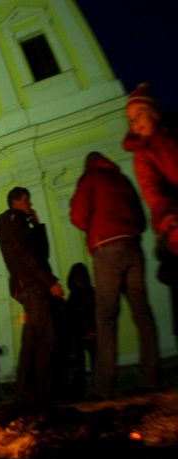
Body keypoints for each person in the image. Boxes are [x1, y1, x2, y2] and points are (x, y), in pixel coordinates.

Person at [70, 151, 160, 398]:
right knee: (142, 312)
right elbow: (141, 219)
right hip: (132, 245)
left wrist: (95, 225)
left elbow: (78, 216)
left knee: (106, 317)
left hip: (107, 248)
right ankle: (150, 379)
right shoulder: (122, 179)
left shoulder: (90, 177)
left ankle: (102, 387)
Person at [0, 186, 64, 406]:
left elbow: (42, 252)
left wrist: (37, 224)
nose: (30, 204)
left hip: (29, 285)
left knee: (37, 338)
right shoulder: (14, 223)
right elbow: (28, 256)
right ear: (16, 201)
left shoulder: (19, 223)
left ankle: (31, 393)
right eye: (27, 201)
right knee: (41, 339)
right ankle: (36, 394)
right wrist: (50, 282)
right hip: (31, 285)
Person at [123, 83, 178, 345]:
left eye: (139, 116)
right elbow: (152, 191)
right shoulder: (142, 153)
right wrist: (168, 221)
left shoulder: (172, 133)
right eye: (131, 120)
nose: (135, 124)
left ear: (154, 112)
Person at [64, 263, 96, 401]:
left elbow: (96, 312)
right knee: (78, 366)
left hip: (91, 334)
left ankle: (96, 389)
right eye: (76, 277)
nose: (79, 280)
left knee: (96, 364)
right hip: (78, 336)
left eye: (81, 277)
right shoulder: (73, 297)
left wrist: (94, 330)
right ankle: (78, 391)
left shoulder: (91, 293)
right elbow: (70, 318)